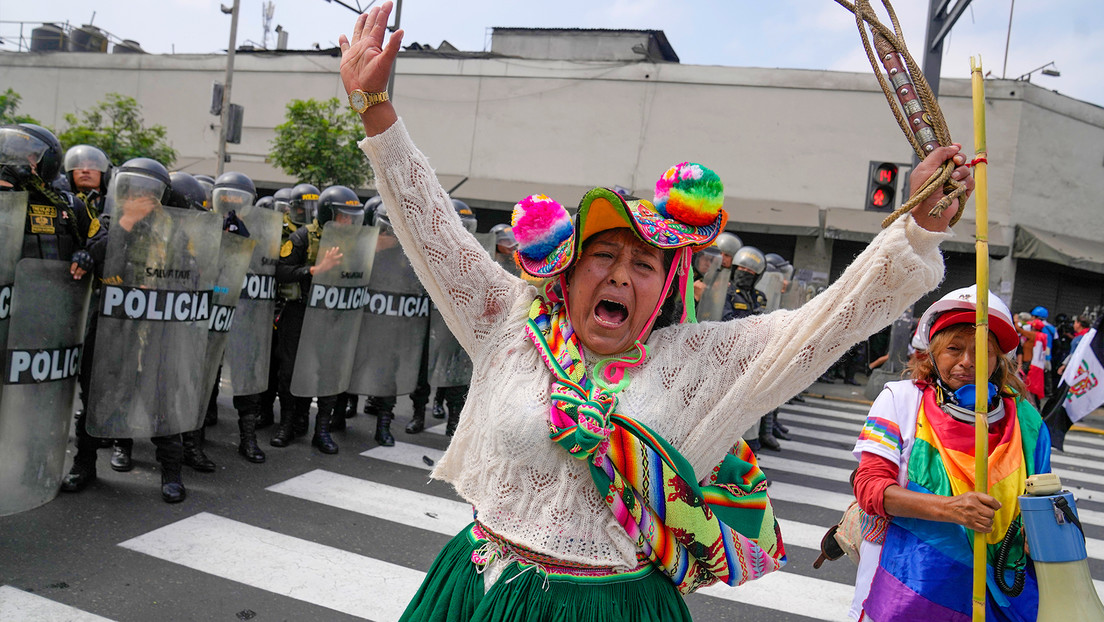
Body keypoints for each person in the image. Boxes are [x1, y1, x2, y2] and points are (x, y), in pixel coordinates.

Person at [339, 3, 972, 617]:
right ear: (569, 264)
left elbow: (829, 318)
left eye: (643, 265)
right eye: (603, 255)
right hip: (478, 590)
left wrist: (914, 228)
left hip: (614, 606)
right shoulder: (514, 321)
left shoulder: (699, 362)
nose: (619, 274)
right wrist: (376, 110)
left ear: (666, 287)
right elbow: (435, 234)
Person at [849, 286, 1050, 621]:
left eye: (981, 351)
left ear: (998, 358)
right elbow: (869, 488)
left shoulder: (1027, 422)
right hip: (909, 592)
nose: (967, 362)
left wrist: (1038, 530)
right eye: (954, 349)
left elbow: (1043, 498)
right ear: (932, 353)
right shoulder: (900, 401)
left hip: (1004, 597)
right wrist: (951, 509)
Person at [62, 157, 192, 503]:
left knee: (160, 397)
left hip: (158, 327)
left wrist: (165, 288)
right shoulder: (108, 221)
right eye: (135, 190)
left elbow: (192, 273)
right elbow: (93, 255)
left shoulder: (175, 230)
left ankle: (171, 472)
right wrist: (125, 222)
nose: (141, 197)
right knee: (96, 395)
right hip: (111, 325)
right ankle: (84, 464)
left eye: (149, 192)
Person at [271, 184, 362, 454]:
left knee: (329, 371)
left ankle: (321, 430)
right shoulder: (302, 237)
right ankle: (287, 424)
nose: (347, 221)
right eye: (343, 216)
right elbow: (281, 271)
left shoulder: (354, 244)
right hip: (300, 312)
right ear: (327, 214)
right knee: (290, 370)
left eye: (351, 216)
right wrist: (314, 269)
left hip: (333, 315)